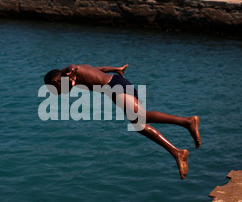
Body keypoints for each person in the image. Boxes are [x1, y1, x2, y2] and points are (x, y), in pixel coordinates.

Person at [44, 64, 201, 180]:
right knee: (139, 124)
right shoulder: (79, 74)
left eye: (55, 90)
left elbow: (72, 68)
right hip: (117, 83)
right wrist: (116, 69)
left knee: (141, 117)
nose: (58, 93)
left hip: (115, 86)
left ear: (56, 82)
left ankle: (186, 123)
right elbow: (100, 69)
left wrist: (70, 73)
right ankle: (177, 152)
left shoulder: (67, 73)